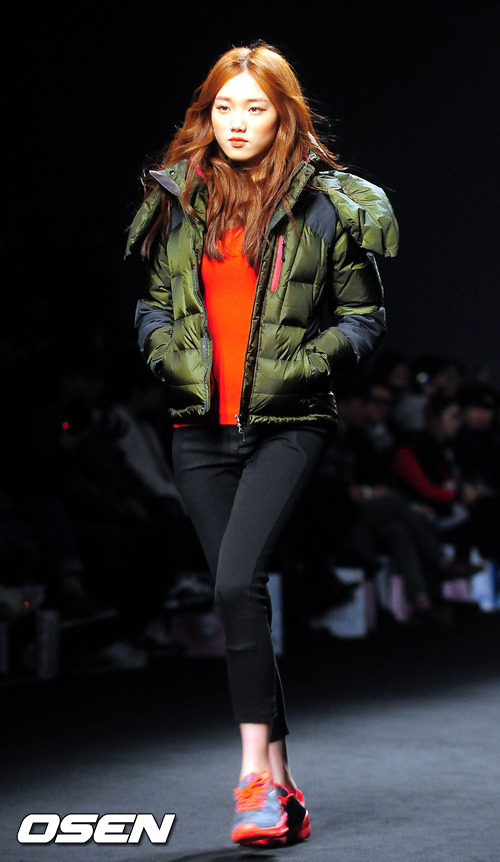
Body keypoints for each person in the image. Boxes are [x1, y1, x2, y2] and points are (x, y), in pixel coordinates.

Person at [126, 42, 398, 847]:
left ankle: (250, 778)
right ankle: (282, 789)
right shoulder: (180, 198)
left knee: (236, 580)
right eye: (224, 107)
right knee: (235, 595)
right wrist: (162, 352)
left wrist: (307, 366)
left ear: (284, 115)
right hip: (197, 428)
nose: (237, 122)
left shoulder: (329, 204)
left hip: (287, 423)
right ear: (206, 114)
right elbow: (152, 303)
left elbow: (365, 316)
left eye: (255, 107)